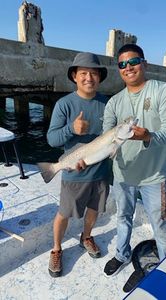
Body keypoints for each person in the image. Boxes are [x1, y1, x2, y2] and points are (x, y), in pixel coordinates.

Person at [103, 44, 166, 277]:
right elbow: (106, 136)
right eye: (122, 64)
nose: (128, 67)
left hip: (154, 176)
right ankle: (121, 254)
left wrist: (148, 136)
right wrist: (84, 157)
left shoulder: (163, 91)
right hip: (123, 175)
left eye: (134, 61)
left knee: (162, 227)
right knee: (123, 217)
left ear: (144, 64)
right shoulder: (114, 102)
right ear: (119, 70)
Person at [47, 52, 110, 277]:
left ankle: (87, 236)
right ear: (74, 76)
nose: (89, 78)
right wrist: (71, 129)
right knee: (64, 212)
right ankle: (56, 249)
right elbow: (52, 139)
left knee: (94, 209)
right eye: (83, 73)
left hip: (102, 172)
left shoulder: (108, 103)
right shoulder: (64, 104)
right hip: (74, 173)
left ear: (99, 77)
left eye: (94, 73)